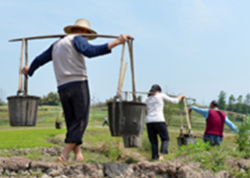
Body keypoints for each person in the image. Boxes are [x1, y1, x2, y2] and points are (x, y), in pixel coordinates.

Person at [23, 19, 132, 162]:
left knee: (72, 122)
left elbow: (39, 60)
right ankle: (64, 154)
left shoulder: (56, 44)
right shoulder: (77, 39)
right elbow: (90, 51)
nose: (86, 39)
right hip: (78, 84)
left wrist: (29, 70)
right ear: (84, 32)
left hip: (62, 88)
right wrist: (117, 42)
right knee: (81, 121)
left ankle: (78, 154)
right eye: (87, 36)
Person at [144, 84, 184, 160]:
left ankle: (155, 157)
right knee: (165, 138)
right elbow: (175, 101)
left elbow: (142, 105)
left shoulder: (146, 98)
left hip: (149, 121)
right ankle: (161, 155)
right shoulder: (161, 95)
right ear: (158, 91)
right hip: (159, 120)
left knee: (153, 141)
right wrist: (180, 96)